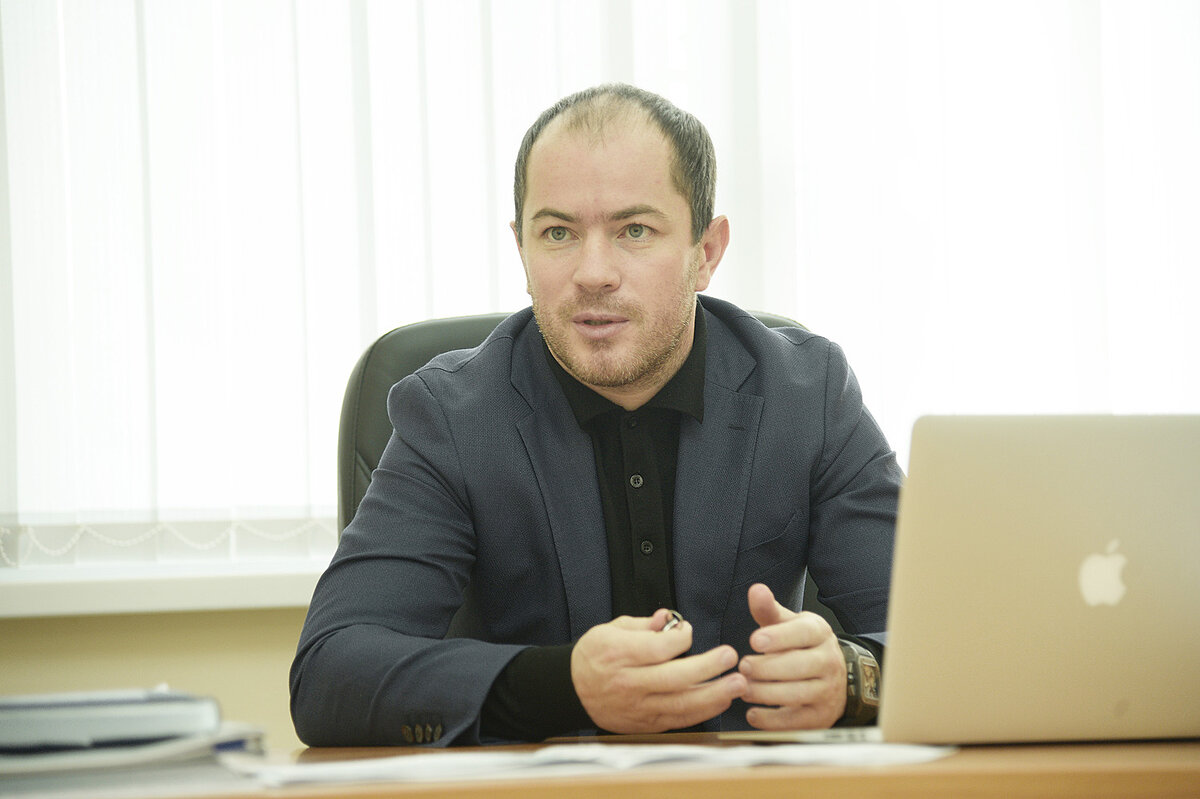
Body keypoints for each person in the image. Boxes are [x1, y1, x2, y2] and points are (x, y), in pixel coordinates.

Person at [290, 83, 902, 747]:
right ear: (522, 250)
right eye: (558, 233)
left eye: (634, 230)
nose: (593, 273)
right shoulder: (453, 417)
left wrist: (853, 676)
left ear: (706, 251)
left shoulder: (805, 394)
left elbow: (943, 634)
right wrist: (565, 686)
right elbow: (331, 675)